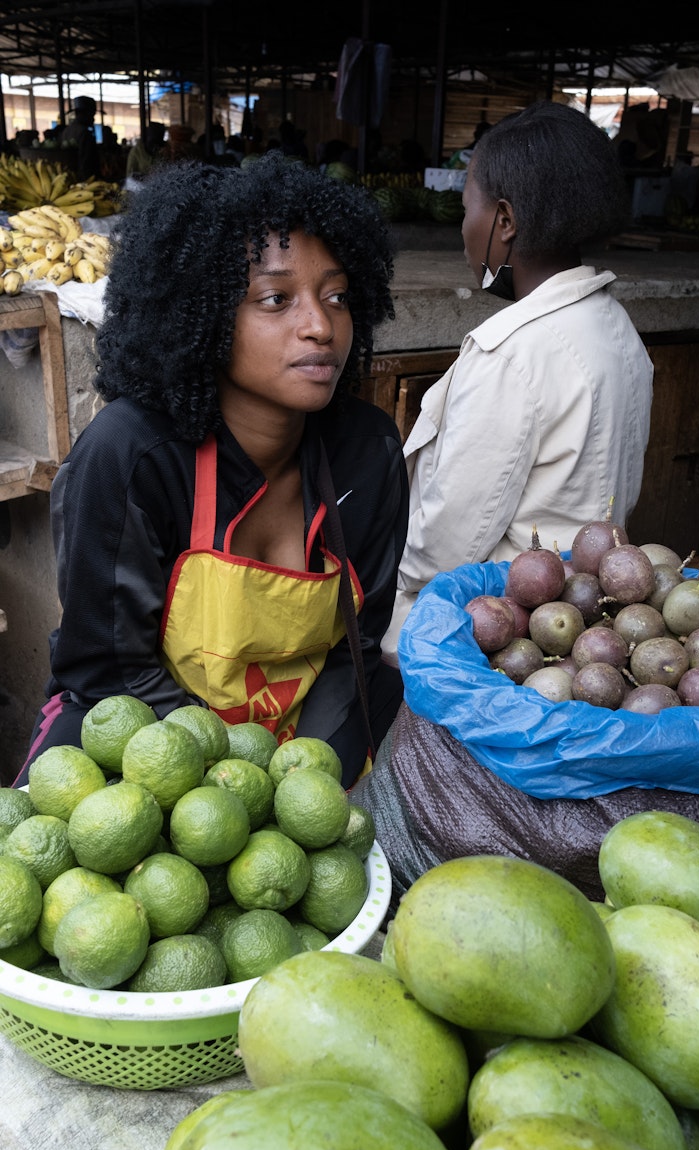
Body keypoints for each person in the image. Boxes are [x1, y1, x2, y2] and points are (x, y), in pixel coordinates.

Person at [16, 153, 408, 790]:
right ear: (198, 314)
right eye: (275, 299)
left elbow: (353, 654)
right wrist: (237, 782)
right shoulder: (130, 454)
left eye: (336, 296)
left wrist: (301, 783)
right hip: (140, 737)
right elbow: (109, 674)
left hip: (295, 748)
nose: (320, 326)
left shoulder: (369, 452)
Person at [382, 100, 654, 662]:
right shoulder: (617, 328)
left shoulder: (513, 352)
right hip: (582, 622)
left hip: (503, 633)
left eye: (467, 210)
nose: (464, 229)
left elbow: (446, 551)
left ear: (504, 221)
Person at [57, 95, 101, 180]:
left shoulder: (66, 131)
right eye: (91, 115)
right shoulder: (84, 133)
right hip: (84, 179)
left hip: (67, 177)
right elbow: (86, 163)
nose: (93, 119)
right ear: (82, 114)